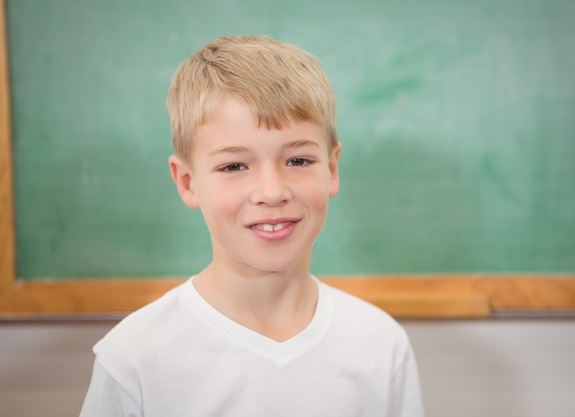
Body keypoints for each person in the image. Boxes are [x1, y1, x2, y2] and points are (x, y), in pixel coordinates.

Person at [80, 35, 424, 417]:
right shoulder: (135, 358)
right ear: (187, 182)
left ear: (331, 169)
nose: (272, 192)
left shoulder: (379, 343)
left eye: (298, 161)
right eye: (234, 166)